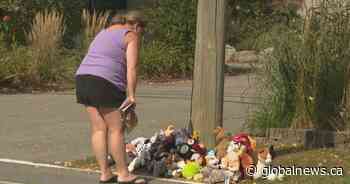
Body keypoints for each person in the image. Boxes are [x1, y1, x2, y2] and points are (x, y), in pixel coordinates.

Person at [75, 11, 146, 184]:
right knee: (116, 129)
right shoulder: (130, 35)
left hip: (83, 78)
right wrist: (131, 95)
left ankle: (105, 174)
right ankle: (123, 174)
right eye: (141, 31)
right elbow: (132, 68)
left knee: (99, 128)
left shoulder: (103, 33)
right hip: (104, 82)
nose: (140, 34)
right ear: (137, 26)